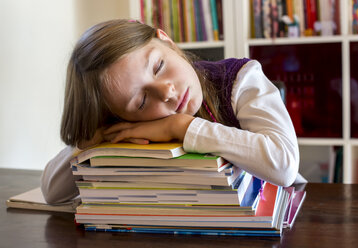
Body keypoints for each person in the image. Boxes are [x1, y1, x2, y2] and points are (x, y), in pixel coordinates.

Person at [41, 19, 303, 204]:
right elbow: (52, 192)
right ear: (123, 116)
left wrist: (179, 127)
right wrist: (96, 137)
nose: (166, 92)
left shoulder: (241, 80)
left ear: (165, 39)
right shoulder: (128, 126)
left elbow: (284, 167)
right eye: (141, 101)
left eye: (158, 67)